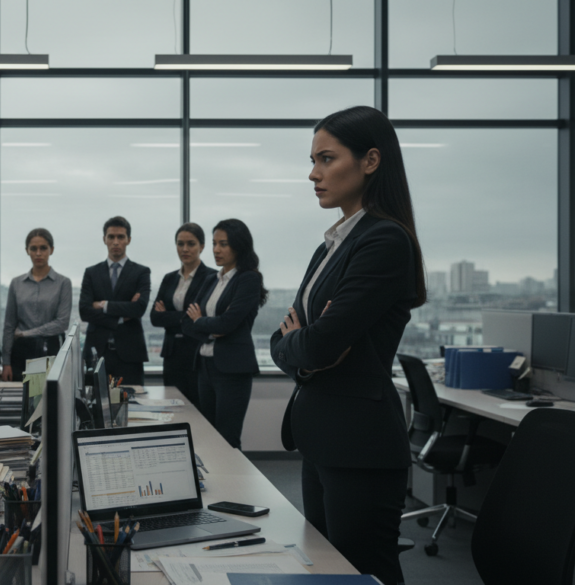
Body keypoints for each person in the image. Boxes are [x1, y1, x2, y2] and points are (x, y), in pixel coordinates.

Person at [270, 105, 427, 585]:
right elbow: (286, 342)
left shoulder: (384, 241)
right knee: (328, 568)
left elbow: (317, 344)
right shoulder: (330, 245)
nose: (313, 174)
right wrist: (303, 346)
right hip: (321, 434)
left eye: (326, 159)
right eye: (313, 160)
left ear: (371, 161)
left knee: (365, 571)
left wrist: (306, 345)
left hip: (360, 443)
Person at [181, 218, 267, 449]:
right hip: (205, 366)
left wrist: (201, 321)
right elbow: (186, 323)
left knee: (227, 438)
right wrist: (208, 327)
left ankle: (232, 486)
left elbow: (227, 324)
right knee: (206, 435)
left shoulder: (248, 278)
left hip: (232, 369)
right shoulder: (212, 279)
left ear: (239, 246)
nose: (216, 250)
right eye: (214, 243)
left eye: (224, 244)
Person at [150, 223, 217, 409]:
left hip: (196, 354)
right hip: (172, 355)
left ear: (202, 246)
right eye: (180, 244)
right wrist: (186, 316)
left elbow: (202, 317)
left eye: (191, 244)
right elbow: (155, 318)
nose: (185, 249)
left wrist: (170, 316)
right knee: (172, 410)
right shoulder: (169, 278)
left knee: (199, 410)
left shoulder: (211, 277)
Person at [79, 216, 151, 386]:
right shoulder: (91, 272)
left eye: (121, 237)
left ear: (129, 240)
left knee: (131, 406)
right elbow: (84, 311)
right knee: (92, 406)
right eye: (111, 237)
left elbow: (139, 308)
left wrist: (103, 305)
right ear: (104, 239)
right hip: (97, 351)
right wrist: (121, 316)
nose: (115, 242)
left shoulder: (141, 272)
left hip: (130, 354)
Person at [1, 228, 72, 381]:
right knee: (20, 400)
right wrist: (6, 362)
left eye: (43, 248)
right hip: (21, 353)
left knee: (51, 400)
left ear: (51, 250)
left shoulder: (63, 283)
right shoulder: (16, 283)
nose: (38, 253)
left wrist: (27, 333)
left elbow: (62, 323)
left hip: (51, 350)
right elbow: (9, 324)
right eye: (33, 249)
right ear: (27, 251)